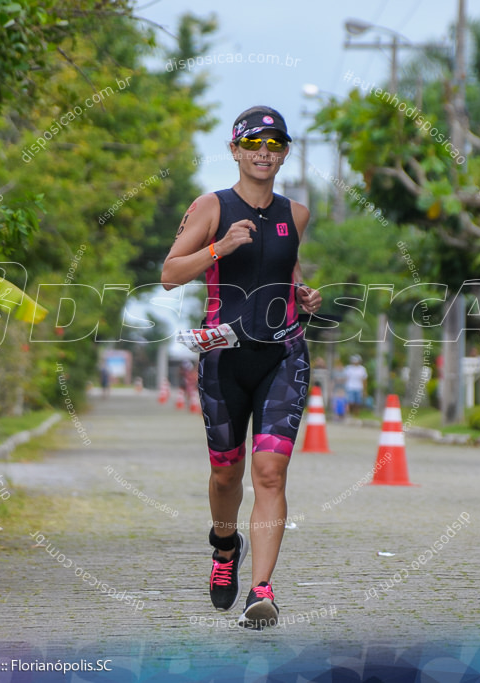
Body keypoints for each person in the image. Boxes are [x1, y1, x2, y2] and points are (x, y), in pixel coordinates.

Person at [160, 105, 322, 629]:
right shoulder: (212, 206)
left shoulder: (296, 214)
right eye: (253, 144)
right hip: (224, 358)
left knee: (270, 472)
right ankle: (224, 545)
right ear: (234, 150)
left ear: (285, 154)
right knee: (226, 473)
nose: (263, 153)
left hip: (284, 355)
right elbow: (168, 274)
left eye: (274, 145)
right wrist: (219, 247)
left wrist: (302, 294)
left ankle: (263, 589)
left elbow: (286, 271)